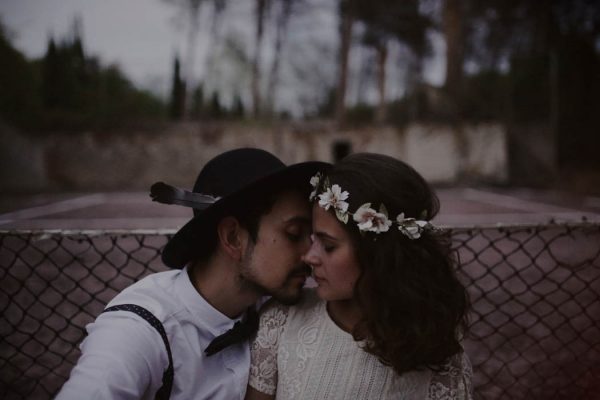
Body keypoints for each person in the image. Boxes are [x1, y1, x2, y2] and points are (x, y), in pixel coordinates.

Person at [56, 148, 330, 400]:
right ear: (233, 237)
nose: (311, 253)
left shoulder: (281, 313)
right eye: (294, 234)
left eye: (314, 236)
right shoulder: (139, 330)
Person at [245, 153, 472, 400]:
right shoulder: (281, 322)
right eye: (313, 239)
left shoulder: (433, 347)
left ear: (377, 253)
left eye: (328, 246)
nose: (310, 257)